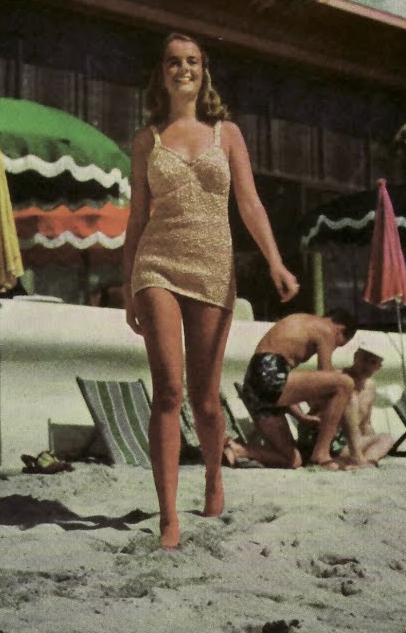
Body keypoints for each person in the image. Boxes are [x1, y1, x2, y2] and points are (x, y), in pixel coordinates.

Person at [123, 32, 299, 550]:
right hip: (157, 265)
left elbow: (250, 204)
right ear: (161, 73)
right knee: (168, 390)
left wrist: (275, 261)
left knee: (205, 400)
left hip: (213, 270)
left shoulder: (228, 134)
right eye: (174, 62)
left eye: (193, 62)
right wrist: (129, 287)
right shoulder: (146, 140)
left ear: (204, 71)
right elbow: (136, 219)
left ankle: (215, 476)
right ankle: (168, 516)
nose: (184, 69)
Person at [223, 308, 373, 471]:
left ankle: (237, 449)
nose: (334, 346)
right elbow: (326, 375)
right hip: (269, 372)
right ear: (341, 330)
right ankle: (322, 455)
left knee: (292, 460)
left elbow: (282, 389)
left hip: (255, 385)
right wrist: (330, 412)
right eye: (339, 344)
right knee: (345, 384)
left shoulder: (302, 323)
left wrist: (301, 417)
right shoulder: (326, 328)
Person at [292, 335, 396, 470]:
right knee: (349, 397)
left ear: (379, 367)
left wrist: (372, 445)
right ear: (355, 357)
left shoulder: (370, 387)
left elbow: (365, 424)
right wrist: (302, 416)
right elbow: (296, 394)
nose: (367, 366)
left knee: (386, 438)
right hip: (322, 440)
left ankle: (366, 463)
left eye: (373, 362)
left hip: (346, 445)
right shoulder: (336, 378)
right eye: (364, 359)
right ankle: (355, 459)